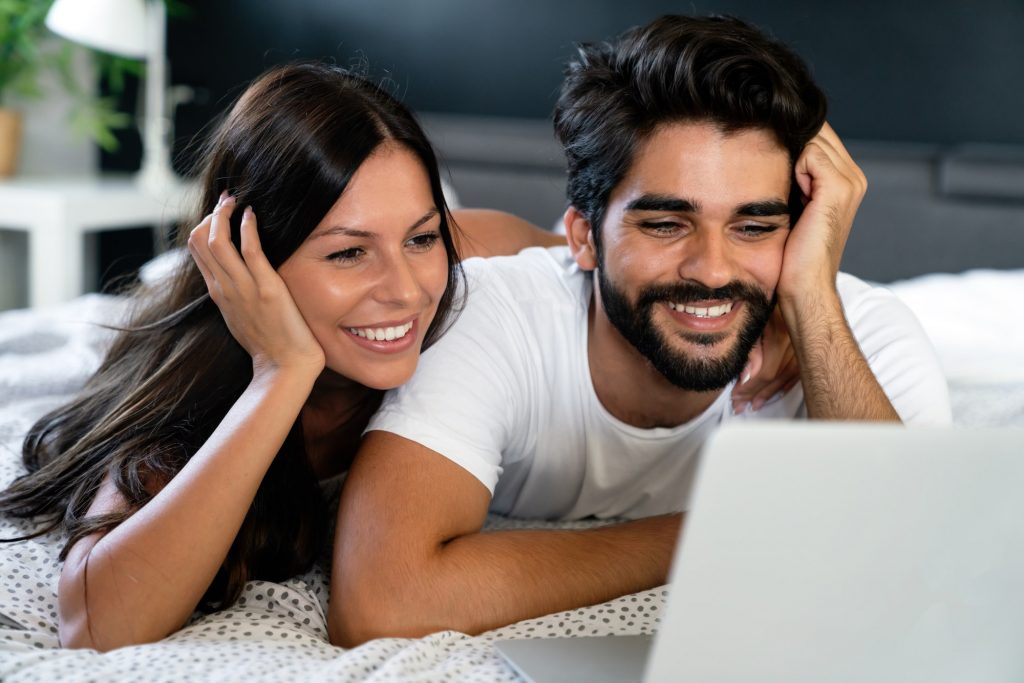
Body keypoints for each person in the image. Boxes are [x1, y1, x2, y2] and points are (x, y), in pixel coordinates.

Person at [328, 15, 953, 646]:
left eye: (755, 227)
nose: (712, 271)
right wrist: (721, 525)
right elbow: (382, 601)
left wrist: (811, 299)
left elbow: (920, 576)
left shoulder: (862, 333)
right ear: (584, 237)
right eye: (665, 225)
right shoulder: (492, 314)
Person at [0, 62, 560, 651]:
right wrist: (280, 373)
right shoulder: (192, 397)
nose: (407, 290)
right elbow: (95, 627)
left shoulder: (460, 264)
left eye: (420, 238)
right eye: (348, 253)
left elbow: (584, 256)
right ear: (249, 259)